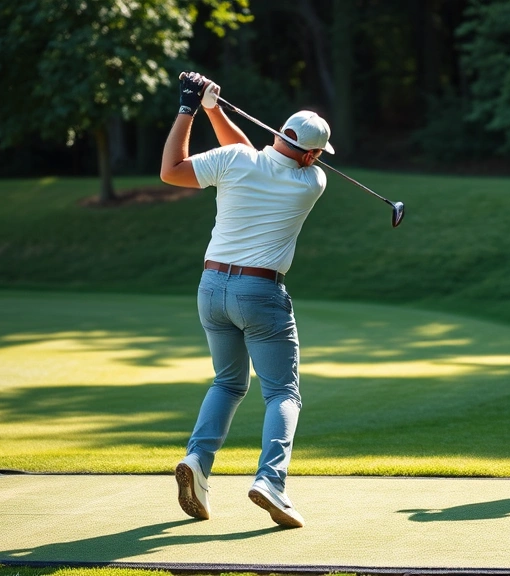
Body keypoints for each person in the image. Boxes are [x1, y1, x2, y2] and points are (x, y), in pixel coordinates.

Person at [160, 71, 335, 527]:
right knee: (282, 391)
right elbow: (260, 157)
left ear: (281, 134)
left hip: (212, 289)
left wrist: (192, 109)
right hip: (260, 292)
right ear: (313, 154)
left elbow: (172, 171)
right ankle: (270, 480)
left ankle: (198, 461)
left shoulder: (238, 160)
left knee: (227, 383)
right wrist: (215, 112)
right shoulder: (312, 181)